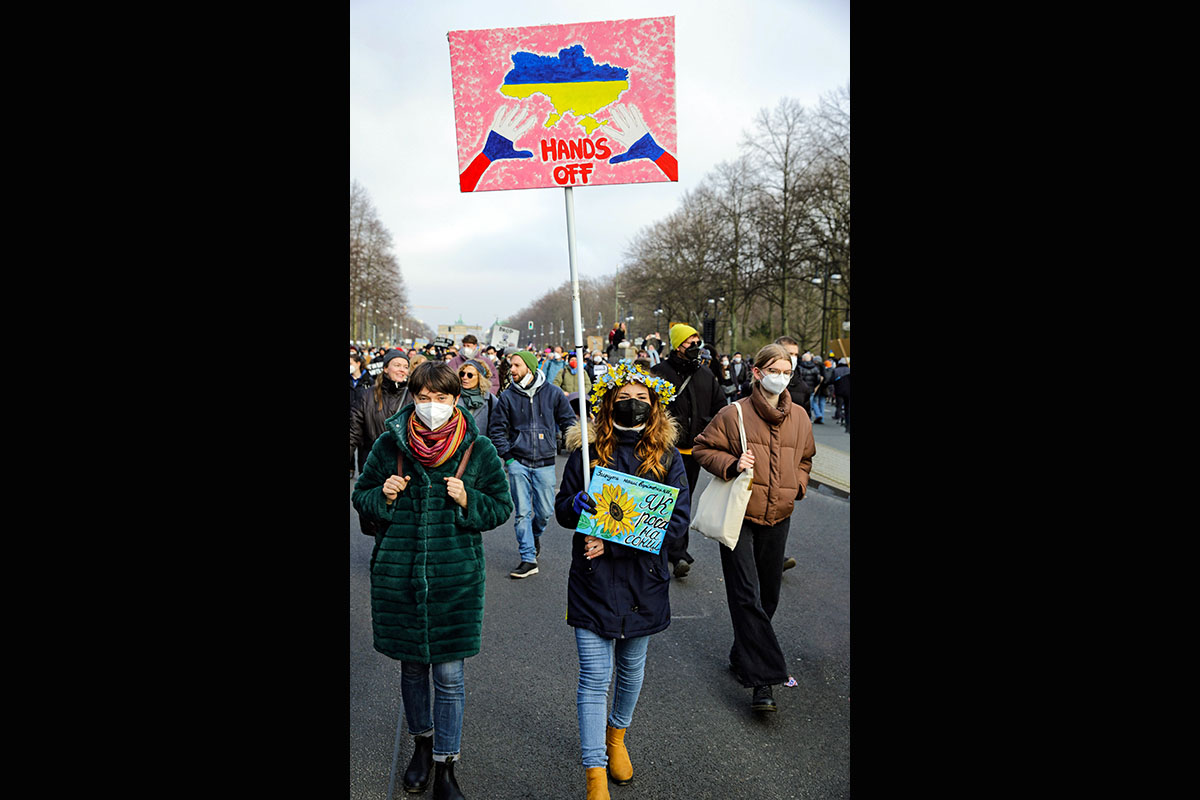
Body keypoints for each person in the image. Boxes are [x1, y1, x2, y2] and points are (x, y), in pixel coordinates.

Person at [351, 361, 514, 800]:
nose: (431, 406)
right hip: (399, 575)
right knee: (412, 670)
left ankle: (446, 764)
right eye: (423, 398)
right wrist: (380, 495)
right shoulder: (389, 444)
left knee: (449, 675)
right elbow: (360, 497)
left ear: (456, 401)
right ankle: (421, 746)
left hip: (454, 579)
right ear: (413, 399)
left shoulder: (477, 451)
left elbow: (501, 507)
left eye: (441, 398)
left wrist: (470, 500)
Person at [554, 360, 690, 800]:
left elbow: (677, 525)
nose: (634, 404)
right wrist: (577, 502)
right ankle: (594, 772)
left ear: (653, 407)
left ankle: (617, 738)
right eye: (625, 398)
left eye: (642, 399)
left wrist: (614, 542)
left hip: (643, 583)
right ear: (609, 402)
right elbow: (561, 513)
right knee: (595, 677)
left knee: (631, 671)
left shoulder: (667, 458)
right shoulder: (587, 456)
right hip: (593, 581)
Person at [691, 343, 816, 715]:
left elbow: (806, 457)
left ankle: (742, 651)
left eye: (787, 371)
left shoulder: (801, 417)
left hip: (779, 515)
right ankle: (764, 681)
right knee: (747, 593)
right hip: (740, 515)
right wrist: (732, 463)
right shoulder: (734, 414)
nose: (781, 377)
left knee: (769, 595)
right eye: (774, 370)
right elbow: (701, 449)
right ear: (758, 372)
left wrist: (799, 485)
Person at [487, 349, 577, 578]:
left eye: (516, 365)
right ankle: (527, 557)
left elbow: (568, 421)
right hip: (518, 462)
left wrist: (575, 442)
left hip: (546, 462)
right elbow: (497, 429)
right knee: (522, 513)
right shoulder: (507, 396)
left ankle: (534, 535)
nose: (512, 370)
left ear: (530, 366)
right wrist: (508, 457)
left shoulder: (554, 393)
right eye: (510, 366)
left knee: (545, 512)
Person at [649, 323, 725, 578]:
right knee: (661, 498)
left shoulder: (705, 376)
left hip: (693, 453)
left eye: (697, 341)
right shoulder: (659, 373)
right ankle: (665, 549)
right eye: (689, 342)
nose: (695, 347)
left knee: (683, 499)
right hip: (664, 449)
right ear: (677, 345)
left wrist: (711, 432)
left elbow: (720, 408)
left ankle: (677, 551)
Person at [351, 350, 414, 546]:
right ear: (385, 368)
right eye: (397, 365)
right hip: (373, 464)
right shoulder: (366, 396)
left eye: (405, 366)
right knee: (377, 512)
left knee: (403, 515)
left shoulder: (414, 396)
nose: (401, 370)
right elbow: (353, 432)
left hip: (406, 465)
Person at [456, 359, 496, 436]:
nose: (464, 377)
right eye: (462, 374)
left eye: (470, 375)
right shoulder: (454, 396)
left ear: (480, 377)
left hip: (480, 445)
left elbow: (496, 428)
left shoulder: (491, 400)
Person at [774, 336, 811, 415]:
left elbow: (805, 419)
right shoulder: (761, 381)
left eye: (796, 355)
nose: (793, 358)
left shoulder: (803, 387)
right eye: (790, 354)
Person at [351, 352, 373, 478]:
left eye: (351, 364)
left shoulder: (368, 380)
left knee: (363, 450)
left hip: (363, 419)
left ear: (358, 364)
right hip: (351, 417)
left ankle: (363, 473)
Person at [796, 351, 824, 422]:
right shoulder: (815, 368)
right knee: (810, 403)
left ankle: (803, 418)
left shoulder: (800, 367)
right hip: (811, 388)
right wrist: (815, 386)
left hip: (802, 388)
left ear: (803, 359)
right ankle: (810, 417)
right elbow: (818, 379)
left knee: (802, 403)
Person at [832, 357, 850, 433]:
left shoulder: (836, 370)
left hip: (839, 390)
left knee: (839, 404)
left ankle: (838, 415)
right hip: (849, 391)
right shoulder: (849, 369)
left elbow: (832, 379)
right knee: (848, 408)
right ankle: (847, 424)